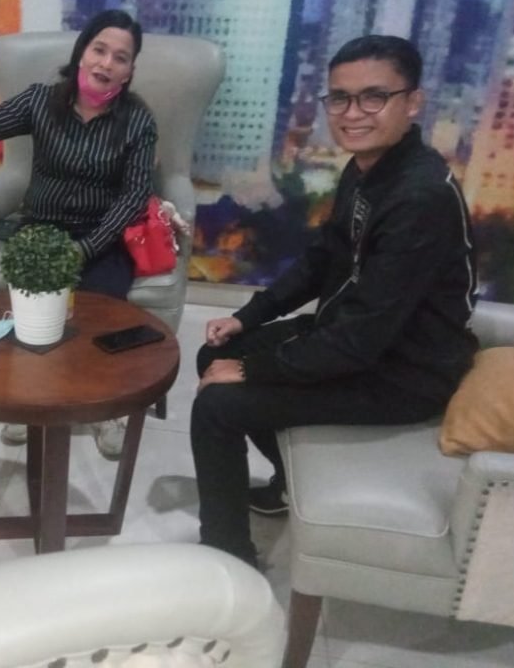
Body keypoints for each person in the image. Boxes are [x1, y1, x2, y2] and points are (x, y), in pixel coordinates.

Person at [191, 35, 478, 567]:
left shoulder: (420, 197)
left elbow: (359, 341)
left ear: (412, 102)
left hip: (404, 374)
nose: (353, 113)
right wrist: (248, 317)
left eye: (374, 97)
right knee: (214, 354)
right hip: (357, 343)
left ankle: (226, 559)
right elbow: (324, 258)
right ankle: (288, 481)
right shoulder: (366, 169)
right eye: (340, 98)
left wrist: (252, 370)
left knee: (218, 405)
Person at [0, 9, 158, 457]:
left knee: (100, 314)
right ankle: (33, 400)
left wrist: (86, 248)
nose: (106, 63)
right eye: (99, 50)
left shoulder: (138, 121)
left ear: (129, 70)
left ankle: (104, 409)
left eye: (120, 57)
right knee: (35, 317)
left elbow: (134, 196)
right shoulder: (41, 101)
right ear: (82, 52)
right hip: (41, 231)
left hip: (102, 235)